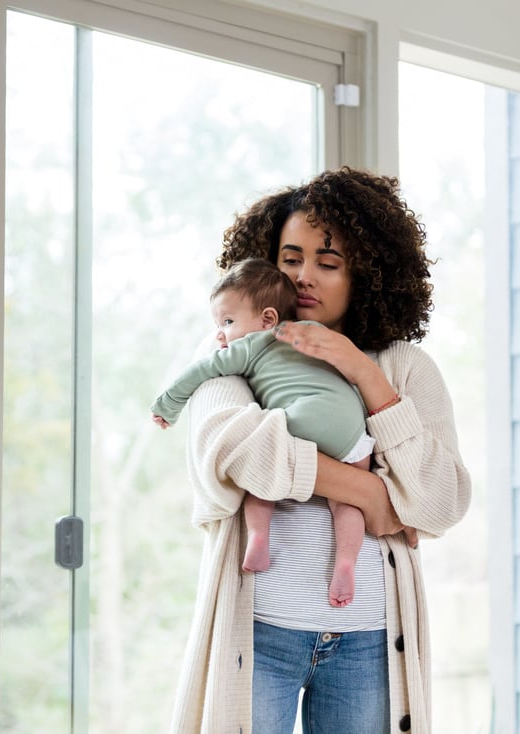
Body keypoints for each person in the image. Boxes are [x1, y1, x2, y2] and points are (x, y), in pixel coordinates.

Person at [168, 167, 471, 734]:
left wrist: (362, 372)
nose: (304, 277)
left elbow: (443, 501)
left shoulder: (404, 368)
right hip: (258, 634)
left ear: (367, 274)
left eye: (327, 264)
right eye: (290, 258)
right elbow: (233, 451)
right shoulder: (236, 346)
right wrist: (372, 494)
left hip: (370, 642)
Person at [150, 257, 375, 607]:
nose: (219, 334)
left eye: (226, 321)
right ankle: (346, 562)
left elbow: (202, 370)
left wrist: (168, 404)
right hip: (351, 425)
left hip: (304, 416)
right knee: (348, 504)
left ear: (268, 319)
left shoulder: (251, 344)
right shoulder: (313, 337)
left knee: (265, 471)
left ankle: (259, 537)